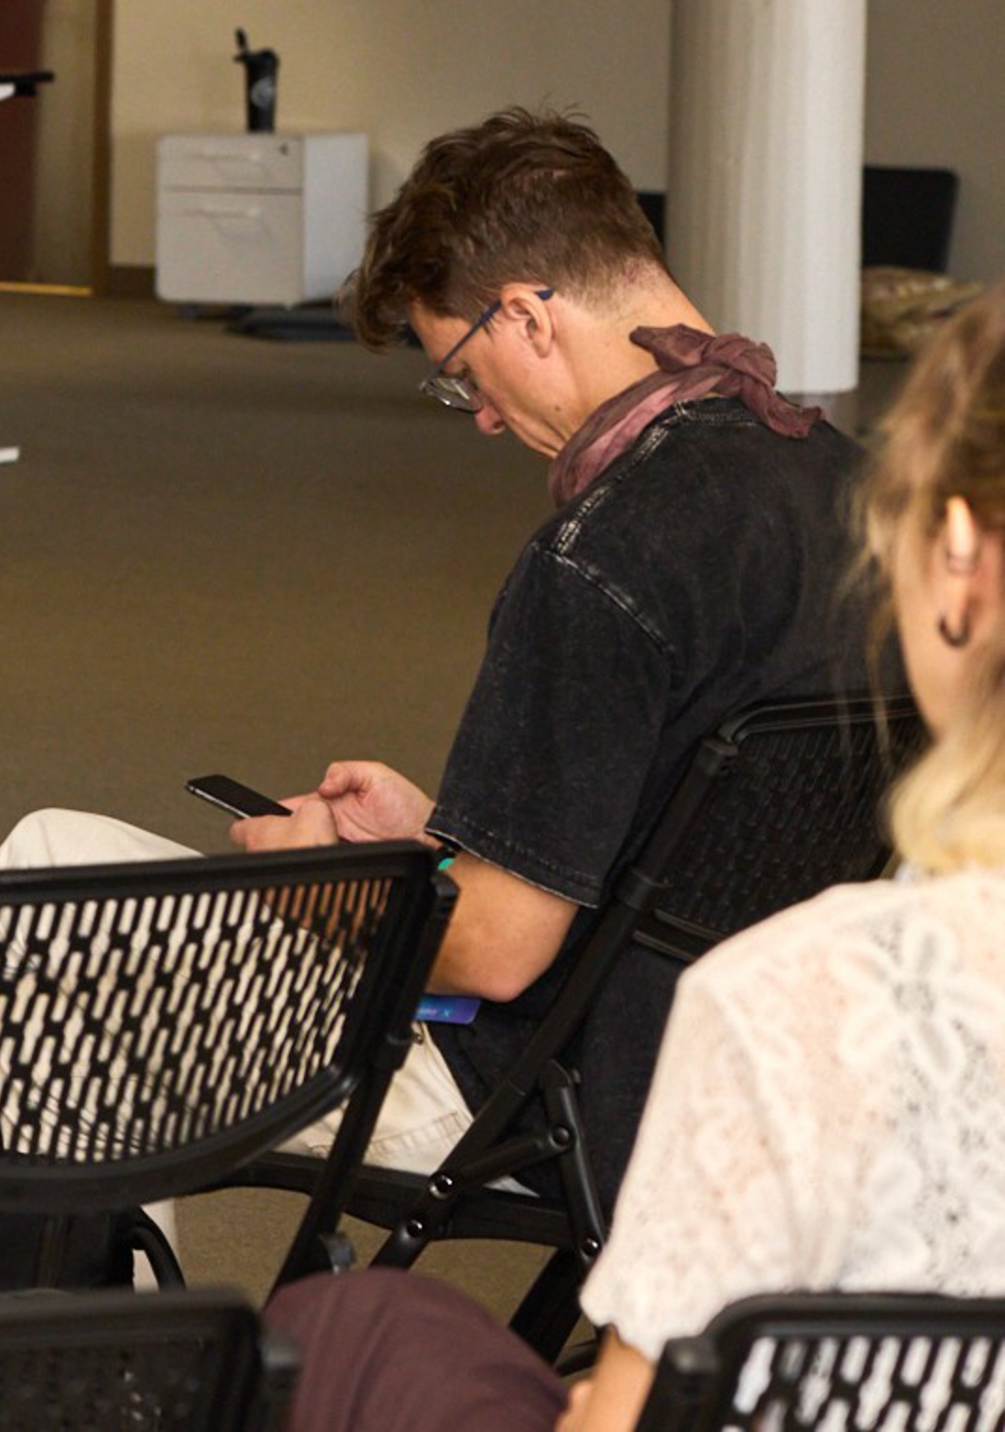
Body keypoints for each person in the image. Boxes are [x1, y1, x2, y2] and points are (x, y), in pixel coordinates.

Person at [0, 109, 862, 1196]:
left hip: (550, 1097)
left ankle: (65, 1296)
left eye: (463, 370)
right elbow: (711, 827)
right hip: (781, 1084)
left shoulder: (603, 555)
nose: (480, 415)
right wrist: (446, 835)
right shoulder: (862, 492)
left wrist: (326, 879)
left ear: (527, 315)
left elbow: (494, 951)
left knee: (49, 878)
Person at [270, 280, 1005, 1432]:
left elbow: (500, 950)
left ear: (957, 560)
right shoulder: (812, 469)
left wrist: (320, 882)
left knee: (347, 1326)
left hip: (576, 1077)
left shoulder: (803, 998)